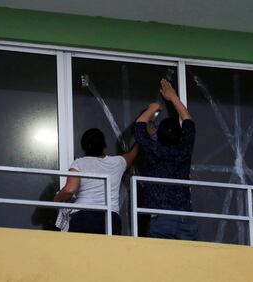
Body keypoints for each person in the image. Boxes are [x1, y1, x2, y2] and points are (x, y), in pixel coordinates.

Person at [133, 78, 197, 240]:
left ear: (158, 135)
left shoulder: (153, 150)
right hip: (185, 219)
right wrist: (174, 98)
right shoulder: (184, 150)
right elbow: (189, 123)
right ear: (180, 136)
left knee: (162, 263)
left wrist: (153, 108)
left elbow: (139, 126)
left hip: (161, 219)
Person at [54, 128, 138, 235]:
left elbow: (70, 190)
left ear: (84, 147)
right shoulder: (117, 163)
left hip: (84, 218)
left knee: (80, 252)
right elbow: (133, 154)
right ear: (104, 145)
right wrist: (143, 135)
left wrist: (56, 199)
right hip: (110, 219)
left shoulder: (79, 163)